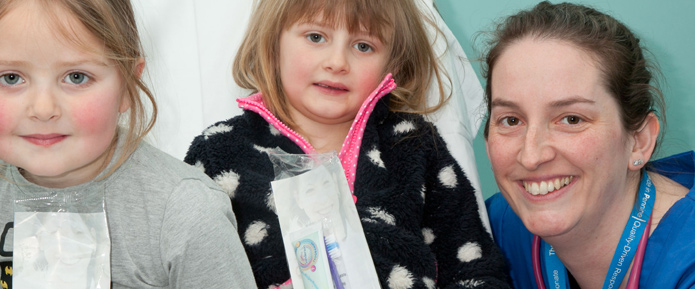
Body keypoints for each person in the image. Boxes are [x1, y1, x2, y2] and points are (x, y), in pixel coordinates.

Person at [0, 0, 257, 288]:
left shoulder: (186, 213)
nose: (43, 109)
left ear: (128, 84)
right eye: (11, 78)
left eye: (76, 77)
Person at [184, 0, 511, 288]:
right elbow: (187, 270)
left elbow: (476, 270)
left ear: (392, 63)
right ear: (272, 44)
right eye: (316, 37)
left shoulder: (415, 146)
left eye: (363, 46)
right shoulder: (219, 152)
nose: (337, 62)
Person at [480, 2, 695, 289]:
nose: (532, 156)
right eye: (510, 120)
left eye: (571, 119)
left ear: (639, 141)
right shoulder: (497, 226)